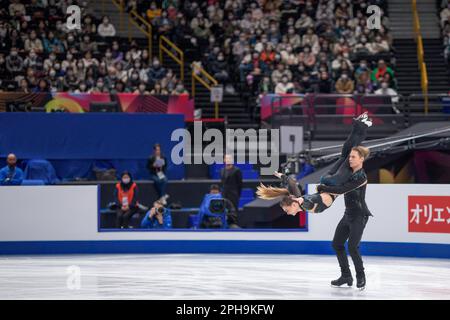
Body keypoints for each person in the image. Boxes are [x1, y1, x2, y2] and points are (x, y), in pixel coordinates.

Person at [256, 112, 372, 214]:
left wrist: (301, 200)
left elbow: (310, 202)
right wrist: (282, 176)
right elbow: (292, 183)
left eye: (287, 210)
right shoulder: (298, 198)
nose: (287, 213)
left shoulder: (305, 203)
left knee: (350, 154)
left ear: (294, 204)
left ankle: (362, 125)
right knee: (345, 154)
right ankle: (361, 125)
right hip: (326, 180)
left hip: (335, 182)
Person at [317, 146, 373, 290]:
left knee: (353, 247)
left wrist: (324, 188)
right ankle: (346, 275)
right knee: (337, 244)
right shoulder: (347, 173)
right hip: (347, 215)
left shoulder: (361, 177)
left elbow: (342, 190)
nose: (350, 159)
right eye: (349, 157)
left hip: (359, 216)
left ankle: (361, 276)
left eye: (353, 157)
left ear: (361, 159)